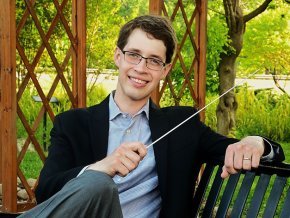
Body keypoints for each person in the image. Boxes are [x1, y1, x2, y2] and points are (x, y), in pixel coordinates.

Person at [19, 15, 285, 218]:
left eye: (154, 60)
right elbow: (46, 194)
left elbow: (241, 149)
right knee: (98, 184)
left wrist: (256, 142)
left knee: (97, 185)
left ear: (165, 70)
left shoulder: (181, 125)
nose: (141, 68)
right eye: (133, 55)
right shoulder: (73, 124)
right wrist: (101, 167)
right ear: (117, 57)